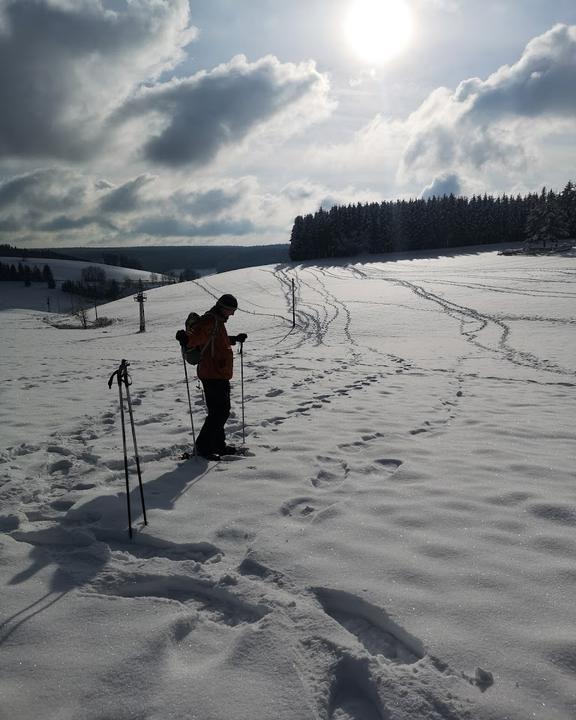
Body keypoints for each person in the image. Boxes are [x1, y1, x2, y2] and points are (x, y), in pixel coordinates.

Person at [176, 294, 247, 460]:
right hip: (212, 374)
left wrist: (234, 339)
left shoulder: (217, 321)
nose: (233, 314)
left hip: (217, 373)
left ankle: (218, 445)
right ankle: (203, 447)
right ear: (222, 307)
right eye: (231, 310)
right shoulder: (210, 320)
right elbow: (196, 336)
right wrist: (186, 338)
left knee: (218, 411)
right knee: (220, 413)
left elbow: (217, 341)